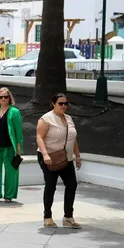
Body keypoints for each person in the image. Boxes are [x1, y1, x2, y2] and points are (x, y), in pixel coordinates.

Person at [36, 93, 82, 229]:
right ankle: (47, 216)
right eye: (60, 103)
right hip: (50, 157)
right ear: (53, 104)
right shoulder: (46, 119)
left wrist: (77, 156)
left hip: (66, 158)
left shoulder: (68, 119)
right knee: (51, 186)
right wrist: (45, 154)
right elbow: (39, 137)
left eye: (66, 104)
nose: (64, 106)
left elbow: (72, 139)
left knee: (72, 185)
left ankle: (68, 217)